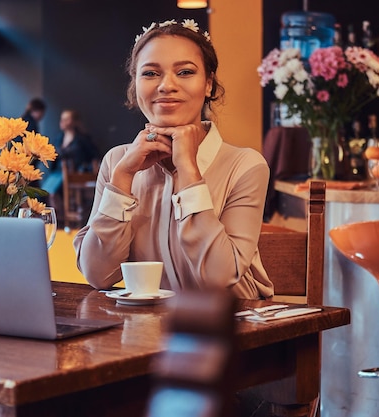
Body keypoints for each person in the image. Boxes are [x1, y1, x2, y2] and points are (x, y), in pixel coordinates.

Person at [73, 19, 273, 300]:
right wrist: (122, 178)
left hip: (234, 330)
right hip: (141, 333)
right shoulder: (117, 161)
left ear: (208, 84)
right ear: (135, 86)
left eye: (185, 72)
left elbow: (219, 278)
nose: (167, 85)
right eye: (151, 73)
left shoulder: (245, 166)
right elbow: (98, 275)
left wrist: (189, 172)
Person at [41, 109, 100, 225]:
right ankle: (59, 217)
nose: (63, 121)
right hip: (57, 172)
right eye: (62, 119)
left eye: (66, 119)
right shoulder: (59, 138)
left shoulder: (82, 139)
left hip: (75, 173)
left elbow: (94, 155)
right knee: (45, 192)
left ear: (74, 121)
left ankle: (62, 219)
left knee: (53, 192)